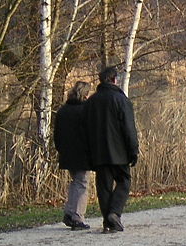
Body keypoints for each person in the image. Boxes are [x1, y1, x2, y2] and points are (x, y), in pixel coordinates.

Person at [84, 66, 139, 233]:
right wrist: (133, 150)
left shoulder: (91, 102)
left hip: (98, 153)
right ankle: (114, 213)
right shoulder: (121, 100)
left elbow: (85, 128)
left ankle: (108, 221)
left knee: (104, 186)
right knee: (124, 181)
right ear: (115, 80)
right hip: (119, 152)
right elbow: (129, 128)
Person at [53, 81, 93, 230]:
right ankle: (77, 216)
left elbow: (57, 134)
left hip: (67, 153)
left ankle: (70, 212)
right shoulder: (85, 110)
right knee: (82, 182)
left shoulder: (63, 110)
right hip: (81, 153)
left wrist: (61, 149)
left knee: (75, 181)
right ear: (85, 94)